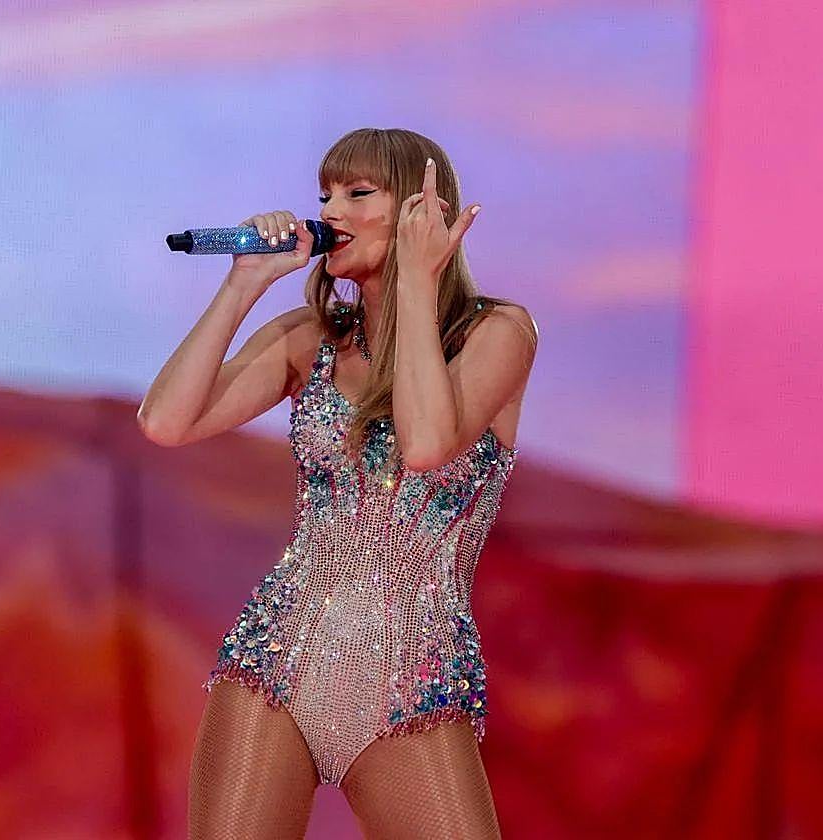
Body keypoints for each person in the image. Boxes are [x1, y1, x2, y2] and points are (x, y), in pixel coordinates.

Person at [137, 127, 538, 839]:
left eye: (357, 193)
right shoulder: (313, 336)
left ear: (423, 212)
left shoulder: (497, 333)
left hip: (412, 680)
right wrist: (244, 283)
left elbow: (425, 444)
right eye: (325, 195)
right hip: (277, 659)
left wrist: (416, 282)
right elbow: (166, 422)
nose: (331, 212)